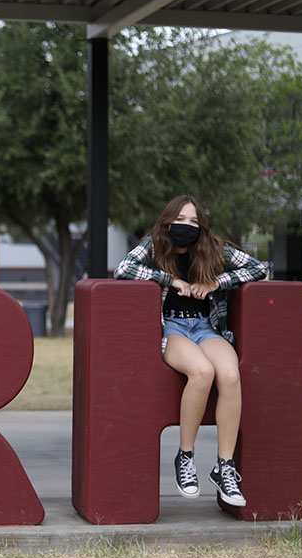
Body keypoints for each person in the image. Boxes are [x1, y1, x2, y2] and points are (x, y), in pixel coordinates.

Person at [113, 195, 267, 507]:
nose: (187, 226)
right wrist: (169, 280)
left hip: (205, 326)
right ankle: (186, 457)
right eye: (181, 220)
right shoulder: (154, 246)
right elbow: (123, 269)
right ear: (168, 221)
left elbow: (259, 268)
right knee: (202, 372)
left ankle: (224, 467)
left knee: (230, 374)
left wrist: (216, 282)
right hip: (173, 328)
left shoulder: (212, 248)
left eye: (194, 222)